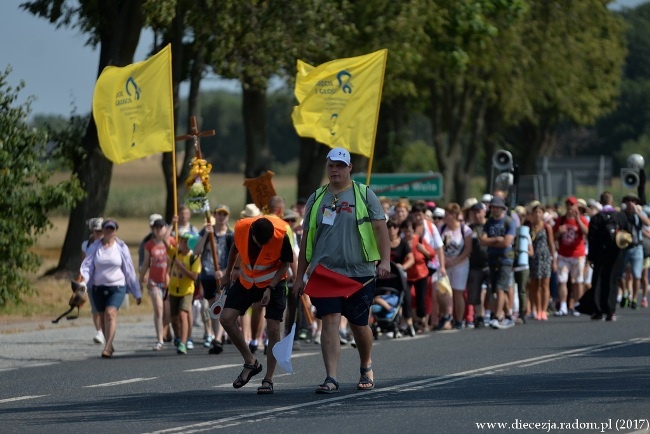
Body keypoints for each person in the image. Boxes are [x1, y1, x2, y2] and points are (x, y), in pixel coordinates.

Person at [293, 147, 390, 394]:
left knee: (359, 325)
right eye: (331, 166)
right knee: (330, 322)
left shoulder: (364, 194)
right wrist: (300, 276)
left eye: (340, 165)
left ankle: (366, 364)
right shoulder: (316, 198)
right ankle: (331, 377)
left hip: (360, 272)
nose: (335, 170)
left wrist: (385, 261)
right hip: (325, 272)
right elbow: (306, 239)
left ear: (349, 168)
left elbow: (380, 230)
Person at [219, 216, 293, 394]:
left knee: (273, 328)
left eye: (265, 243)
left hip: (274, 283)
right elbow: (234, 249)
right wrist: (228, 273)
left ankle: (268, 379)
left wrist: (271, 287)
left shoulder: (281, 235)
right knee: (226, 318)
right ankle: (251, 362)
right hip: (247, 281)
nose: (262, 246)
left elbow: (286, 265)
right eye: (259, 243)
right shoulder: (241, 228)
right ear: (252, 234)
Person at [79, 219, 141, 358]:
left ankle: (107, 348)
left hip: (117, 287)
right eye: (106, 229)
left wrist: (136, 292)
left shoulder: (121, 247)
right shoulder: (95, 247)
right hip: (98, 288)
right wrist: (83, 282)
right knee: (102, 317)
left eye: (111, 229)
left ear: (115, 232)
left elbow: (129, 270)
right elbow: (88, 267)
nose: (108, 232)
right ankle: (110, 344)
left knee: (110, 313)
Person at [194, 204, 234, 354]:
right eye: (219, 214)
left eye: (224, 214)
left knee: (220, 305)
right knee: (213, 309)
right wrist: (205, 235)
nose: (221, 217)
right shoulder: (206, 231)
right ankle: (217, 335)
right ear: (214, 215)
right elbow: (196, 251)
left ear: (227, 217)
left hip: (223, 276)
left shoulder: (230, 235)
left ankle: (217, 338)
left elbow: (234, 258)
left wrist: (224, 271)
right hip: (207, 274)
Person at [586, 192, 631, 321]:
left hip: (600, 254)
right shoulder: (620, 217)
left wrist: (591, 257)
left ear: (601, 202)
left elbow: (592, 239)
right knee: (612, 281)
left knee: (599, 281)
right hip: (616, 254)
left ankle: (598, 310)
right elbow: (628, 236)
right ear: (611, 202)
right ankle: (611, 311)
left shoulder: (596, 218)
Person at [164, 218, 201, 355]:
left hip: (187, 291)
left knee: (183, 314)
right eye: (182, 241)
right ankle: (179, 337)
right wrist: (172, 224)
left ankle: (184, 343)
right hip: (174, 290)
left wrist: (182, 268)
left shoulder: (194, 258)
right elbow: (164, 240)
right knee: (174, 319)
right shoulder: (175, 253)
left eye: (186, 242)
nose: (183, 244)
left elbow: (194, 277)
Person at [480, 196, 516, 329]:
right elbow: (482, 240)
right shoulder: (489, 222)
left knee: (501, 288)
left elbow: (507, 242)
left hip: (505, 258)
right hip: (492, 258)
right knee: (496, 288)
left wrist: (493, 241)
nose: (495, 209)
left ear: (502, 208)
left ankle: (497, 316)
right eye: (493, 207)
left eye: (497, 207)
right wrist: (496, 239)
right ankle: (508, 316)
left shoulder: (508, 222)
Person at [139, 217, 175, 351]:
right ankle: (160, 339)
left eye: (161, 227)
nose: (159, 230)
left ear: (166, 228)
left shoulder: (172, 241)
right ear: (153, 230)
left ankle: (168, 331)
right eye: (156, 228)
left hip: (169, 282)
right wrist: (140, 279)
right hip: (154, 281)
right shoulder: (149, 245)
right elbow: (146, 263)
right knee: (159, 310)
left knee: (169, 313)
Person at [438, 203, 473, 329]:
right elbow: (438, 247)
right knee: (444, 292)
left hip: (460, 264)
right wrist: (443, 262)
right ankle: (446, 317)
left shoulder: (465, 230)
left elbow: (468, 249)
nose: (445, 217)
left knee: (458, 292)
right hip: (444, 264)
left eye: (447, 214)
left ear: (454, 215)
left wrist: (455, 261)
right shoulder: (441, 229)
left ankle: (459, 320)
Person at [554, 196, 589, 317]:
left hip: (577, 254)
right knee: (562, 280)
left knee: (578, 281)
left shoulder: (582, 219)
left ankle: (577, 305)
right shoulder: (561, 220)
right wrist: (559, 232)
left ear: (576, 206)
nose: (570, 207)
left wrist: (578, 219)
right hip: (563, 255)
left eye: (572, 205)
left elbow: (587, 232)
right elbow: (553, 236)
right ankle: (563, 305)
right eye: (568, 205)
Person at [619, 195, 650, 309]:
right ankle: (625, 292)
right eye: (628, 201)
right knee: (620, 274)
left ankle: (635, 298)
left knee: (637, 275)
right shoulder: (622, 214)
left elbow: (647, 223)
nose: (630, 203)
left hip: (637, 248)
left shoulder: (640, 214)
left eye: (633, 201)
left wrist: (638, 213)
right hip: (624, 248)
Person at [527, 201, 556, 321]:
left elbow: (551, 243)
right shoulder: (530, 227)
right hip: (533, 258)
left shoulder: (547, 227)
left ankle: (544, 310)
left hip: (544, 257)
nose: (537, 215)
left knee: (545, 284)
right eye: (535, 212)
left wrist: (553, 260)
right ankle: (537, 308)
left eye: (540, 212)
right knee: (534, 285)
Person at [81, 217, 105, 345]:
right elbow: (84, 264)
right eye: (97, 231)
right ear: (93, 231)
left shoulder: (107, 244)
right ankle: (99, 332)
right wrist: (81, 281)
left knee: (106, 309)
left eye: (101, 231)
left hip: (105, 281)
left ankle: (106, 330)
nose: (99, 234)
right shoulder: (86, 245)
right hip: (92, 283)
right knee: (95, 310)